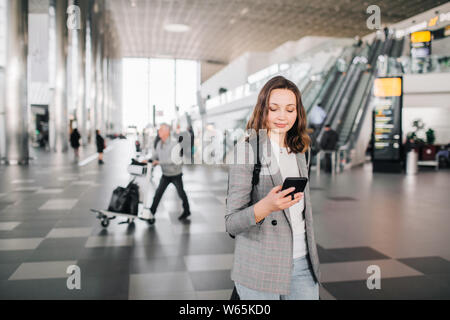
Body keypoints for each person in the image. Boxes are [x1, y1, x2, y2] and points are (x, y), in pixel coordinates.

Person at [225, 76, 320, 300]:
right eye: (274, 108)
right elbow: (231, 224)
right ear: (263, 110)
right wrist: (266, 207)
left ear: (298, 113)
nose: (282, 117)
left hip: (303, 264)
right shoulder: (247, 151)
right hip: (259, 268)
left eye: (290, 109)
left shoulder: (301, 150)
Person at [147, 124, 191, 224]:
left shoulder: (174, 143)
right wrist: (149, 160)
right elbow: (155, 155)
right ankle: (151, 212)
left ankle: (187, 211)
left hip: (176, 174)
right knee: (158, 194)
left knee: (181, 193)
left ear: (167, 132)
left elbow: (174, 159)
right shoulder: (159, 143)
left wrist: (159, 162)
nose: (159, 132)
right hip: (165, 174)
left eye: (161, 130)